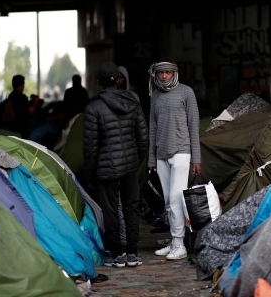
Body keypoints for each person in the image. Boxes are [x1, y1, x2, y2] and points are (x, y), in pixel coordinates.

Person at [83, 62, 148, 268]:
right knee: (131, 207)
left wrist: (90, 174)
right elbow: (143, 138)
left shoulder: (93, 108)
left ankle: (117, 254)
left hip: (105, 168)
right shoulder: (133, 102)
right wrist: (135, 161)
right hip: (130, 165)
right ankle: (133, 252)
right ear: (118, 80)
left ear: (99, 84)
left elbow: (90, 147)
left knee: (110, 210)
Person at [148, 57, 201, 260]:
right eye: (161, 73)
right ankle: (174, 241)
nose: (164, 76)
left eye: (168, 72)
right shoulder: (155, 96)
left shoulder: (187, 92)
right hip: (161, 154)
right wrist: (151, 159)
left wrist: (196, 158)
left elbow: (193, 126)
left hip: (182, 151)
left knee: (176, 199)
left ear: (174, 73)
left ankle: (180, 245)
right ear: (156, 74)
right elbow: (152, 128)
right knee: (168, 202)